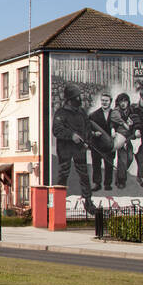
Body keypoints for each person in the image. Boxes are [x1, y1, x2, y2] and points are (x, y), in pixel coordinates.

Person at [52, 83, 96, 213]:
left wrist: (87, 140)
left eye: (79, 96)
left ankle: (88, 202)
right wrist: (71, 135)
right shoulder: (61, 113)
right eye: (77, 97)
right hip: (65, 149)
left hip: (79, 149)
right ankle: (58, 204)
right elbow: (57, 130)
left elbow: (87, 127)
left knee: (83, 174)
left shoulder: (81, 112)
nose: (79, 99)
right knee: (63, 174)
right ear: (70, 99)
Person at [87, 94, 116, 191]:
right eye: (102, 100)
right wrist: (94, 133)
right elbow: (86, 129)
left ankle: (108, 184)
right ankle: (97, 183)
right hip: (97, 144)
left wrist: (114, 131)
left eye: (106, 101)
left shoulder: (115, 114)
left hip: (110, 144)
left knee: (109, 164)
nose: (104, 102)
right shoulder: (93, 115)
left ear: (110, 101)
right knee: (96, 164)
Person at [108, 93, 135, 190]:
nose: (123, 103)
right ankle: (121, 180)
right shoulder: (116, 111)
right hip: (120, 138)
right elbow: (112, 123)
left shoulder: (131, 110)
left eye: (125, 101)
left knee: (130, 158)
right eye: (121, 101)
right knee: (123, 160)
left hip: (128, 138)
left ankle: (120, 173)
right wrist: (113, 130)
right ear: (118, 102)